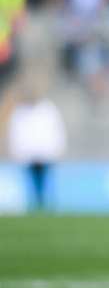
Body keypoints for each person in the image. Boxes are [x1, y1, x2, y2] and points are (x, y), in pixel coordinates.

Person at [6, 81, 67, 212]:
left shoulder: (48, 109)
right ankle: (35, 207)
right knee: (32, 184)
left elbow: (56, 131)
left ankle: (45, 206)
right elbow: (16, 134)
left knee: (45, 182)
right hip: (28, 155)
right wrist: (19, 152)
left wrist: (55, 149)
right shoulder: (20, 112)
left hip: (45, 153)